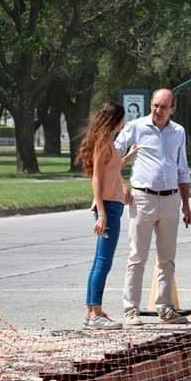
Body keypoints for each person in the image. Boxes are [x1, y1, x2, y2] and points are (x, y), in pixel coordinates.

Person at [115, 88, 191, 325]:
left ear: (173, 109)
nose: (158, 111)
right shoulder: (136, 127)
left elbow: (182, 169)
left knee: (167, 258)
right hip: (143, 198)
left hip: (170, 199)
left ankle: (165, 307)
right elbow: (112, 157)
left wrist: (186, 205)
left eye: (163, 107)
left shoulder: (178, 131)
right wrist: (121, 184)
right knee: (137, 256)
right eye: (155, 105)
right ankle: (131, 309)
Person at [75, 102, 139, 330]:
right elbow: (97, 178)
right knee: (103, 261)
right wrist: (101, 213)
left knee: (100, 261)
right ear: (116, 120)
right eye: (122, 118)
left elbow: (110, 170)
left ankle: (93, 311)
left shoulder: (108, 142)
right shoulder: (103, 142)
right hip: (108, 208)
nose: (124, 123)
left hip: (114, 204)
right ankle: (95, 314)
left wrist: (126, 159)